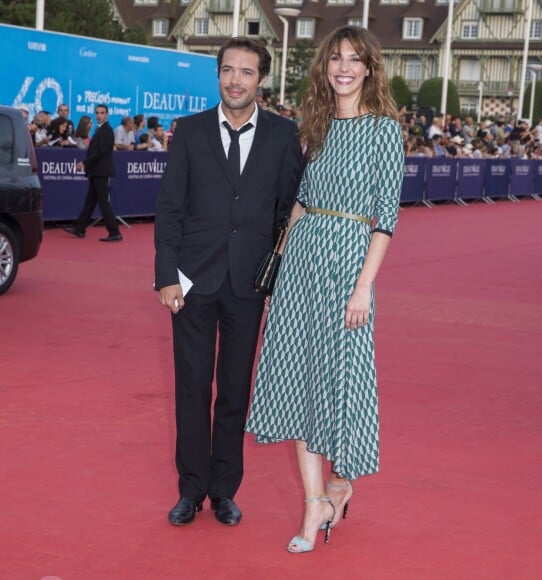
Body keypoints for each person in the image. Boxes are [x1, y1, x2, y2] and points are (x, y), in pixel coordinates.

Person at [245, 25, 403, 553]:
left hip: (350, 264)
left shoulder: (384, 131)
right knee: (297, 379)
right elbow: (301, 200)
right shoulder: (313, 126)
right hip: (302, 262)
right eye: (336, 58)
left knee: (341, 380)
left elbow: (385, 220)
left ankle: (342, 482)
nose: (343, 67)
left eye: (354, 59)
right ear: (325, 67)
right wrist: (281, 254)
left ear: (368, 69)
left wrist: (364, 289)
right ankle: (314, 504)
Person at [154, 37, 302, 528]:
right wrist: (165, 276)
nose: (236, 80)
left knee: (234, 392)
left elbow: (288, 211)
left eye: (247, 72)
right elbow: (170, 209)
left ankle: (224, 491)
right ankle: (190, 490)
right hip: (193, 282)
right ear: (217, 75)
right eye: (228, 71)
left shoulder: (284, 136)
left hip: (248, 284)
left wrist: (277, 276)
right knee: (192, 389)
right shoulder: (190, 131)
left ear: (262, 79)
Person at [63, 105, 122, 242]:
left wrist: (84, 163)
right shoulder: (99, 129)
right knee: (90, 202)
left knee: (103, 203)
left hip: (101, 171)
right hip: (96, 171)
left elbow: (100, 152)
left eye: (102, 113)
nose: (99, 115)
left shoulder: (107, 130)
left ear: (107, 114)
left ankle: (114, 232)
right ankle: (80, 229)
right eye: (97, 113)